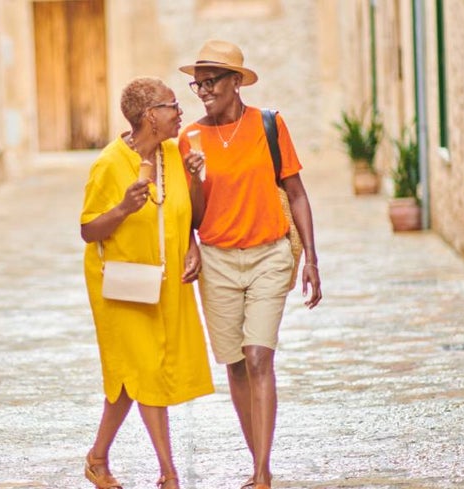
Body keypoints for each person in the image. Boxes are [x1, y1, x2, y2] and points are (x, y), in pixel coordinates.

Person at [177, 40, 323, 489]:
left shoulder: (269, 125)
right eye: (197, 83)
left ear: (236, 82)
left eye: (212, 81)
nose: (203, 90)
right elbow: (193, 215)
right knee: (236, 364)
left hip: (269, 255)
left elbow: (295, 192)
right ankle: (254, 454)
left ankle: (262, 472)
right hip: (218, 261)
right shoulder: (190, 139)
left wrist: (312, 258)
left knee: (259, 355)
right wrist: (194, 181)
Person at [80, 76, 214, 489]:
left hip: (164, 279)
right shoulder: (108, 163)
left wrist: (193, 231)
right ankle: (169, 473)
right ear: (149, 117)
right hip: (121, 286)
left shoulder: (175, 154)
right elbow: (88, 230)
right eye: (172, 105)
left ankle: (97, 458)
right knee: (148, 372)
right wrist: (122, 208)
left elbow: (188, 214)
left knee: (130, 378)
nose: (180, 112)